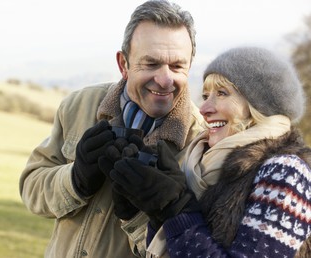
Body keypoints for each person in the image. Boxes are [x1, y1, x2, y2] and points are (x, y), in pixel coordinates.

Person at [19, 0, 204, 257]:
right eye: (150, 64)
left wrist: (141, 216)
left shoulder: (203, 142)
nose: (164, 80)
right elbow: (31, 188)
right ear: (123, 64)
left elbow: (194, 249)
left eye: (177, 66)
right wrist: (75, 180)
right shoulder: (79, 104)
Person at [108, 46, 311, 257]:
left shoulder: (286, 172)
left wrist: (179, 212)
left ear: (260, 105)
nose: (204, 108)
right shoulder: (200, 165)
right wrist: (146, 211)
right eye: (206, 95)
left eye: (222, 93)